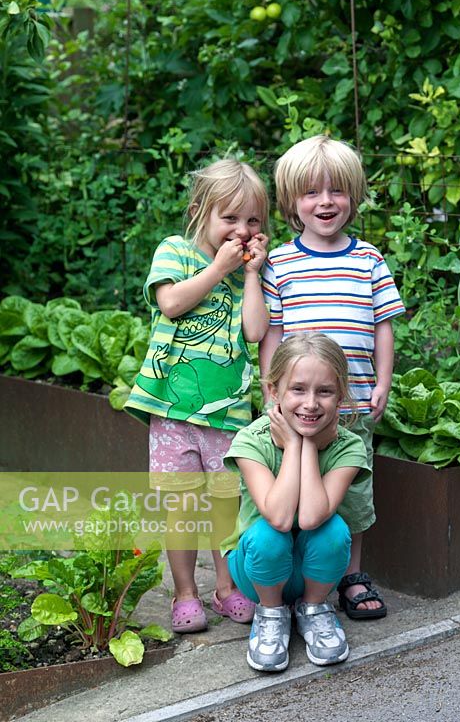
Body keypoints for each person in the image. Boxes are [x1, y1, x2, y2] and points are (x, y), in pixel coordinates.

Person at [259, 135, 405, 621]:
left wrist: (382, 381)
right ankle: (304, 578)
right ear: (291, 202)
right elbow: (273, 335)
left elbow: (382, 326)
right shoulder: (280, 263)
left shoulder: (369, 260)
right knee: (299, 488)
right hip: (300, 409)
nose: (325, 202)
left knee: (353, 497)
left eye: (337, 191)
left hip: (352, 404)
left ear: (354, 196)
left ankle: (350, 577)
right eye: (311, 193)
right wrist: (272, 390)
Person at [125, 158, 269, 633]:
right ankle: (185, 593)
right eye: (230, 218)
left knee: (226, 502)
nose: (242, 230)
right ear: (199, 211)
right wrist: (219, 268)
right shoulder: (175, 250)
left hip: (228, 413)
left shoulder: (248, 271)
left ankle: (227, 588)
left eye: (252, 221)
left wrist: (249, 275)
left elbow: (254, 330)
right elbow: (170, 302)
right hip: (171, 409)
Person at [222, 333, 371, 671]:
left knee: (333, 530)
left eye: (325, 392)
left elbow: (311, 517)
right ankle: (271, 613)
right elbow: (279, 517)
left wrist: (305, 445)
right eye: (298, 389)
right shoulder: (251, 440)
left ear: (341, 396)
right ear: (274, 391)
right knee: (268, 534)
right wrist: (293, 445)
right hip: (256, 573)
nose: (311, 403)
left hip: (313, 573)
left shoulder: (348, 447)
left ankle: (314, 609)